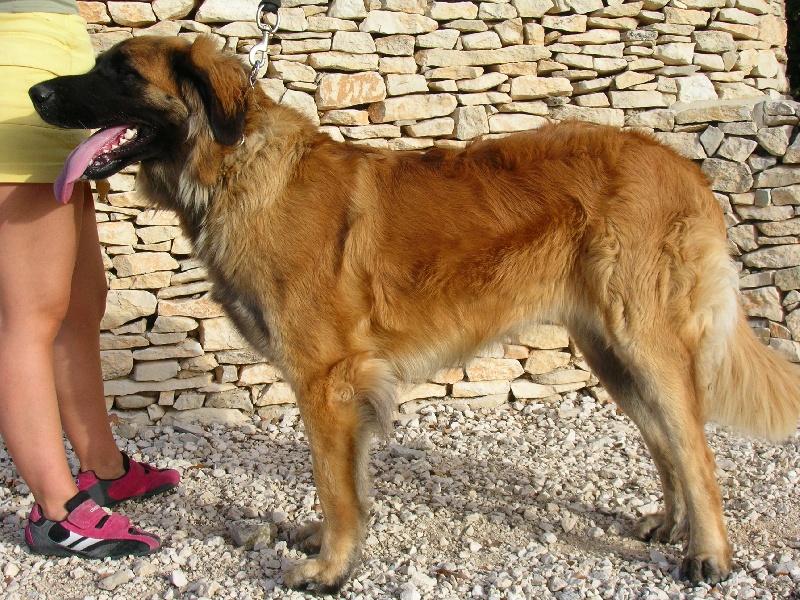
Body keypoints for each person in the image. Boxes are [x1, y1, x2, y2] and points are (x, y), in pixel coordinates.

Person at [0, 0, 180, 558]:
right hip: (13, 71)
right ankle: (56, 513)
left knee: (82, 304)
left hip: (57, 54)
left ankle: (103, 469)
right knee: (28, 317)